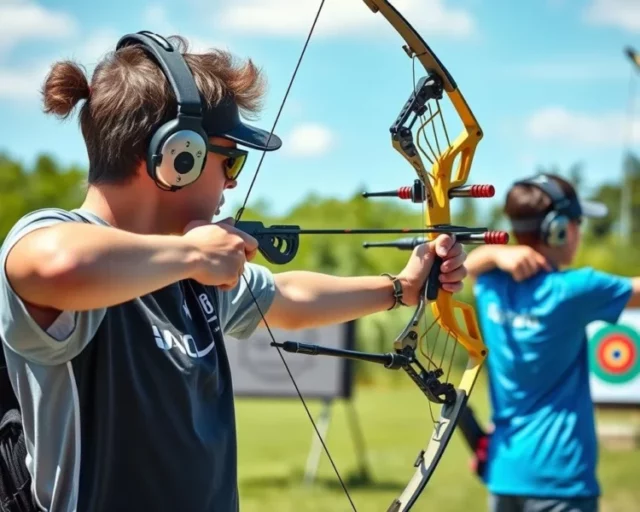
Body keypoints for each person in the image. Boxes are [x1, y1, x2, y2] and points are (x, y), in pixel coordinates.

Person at [0, 32, 469, 512]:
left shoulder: (185, 266)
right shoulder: (58, 235)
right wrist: (192, 255)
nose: (233, 181)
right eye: (231, 159)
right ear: (177, 156)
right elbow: (55, 264)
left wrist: (400, 288)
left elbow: (286, 297)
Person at [465, 173, 640, 512]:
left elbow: (468, 266)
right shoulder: (575, 289)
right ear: (558, 228)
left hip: (505, 474)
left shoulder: (490, 286)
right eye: (576, 222)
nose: (580, 231)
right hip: (562, 480)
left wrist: (494, 253)